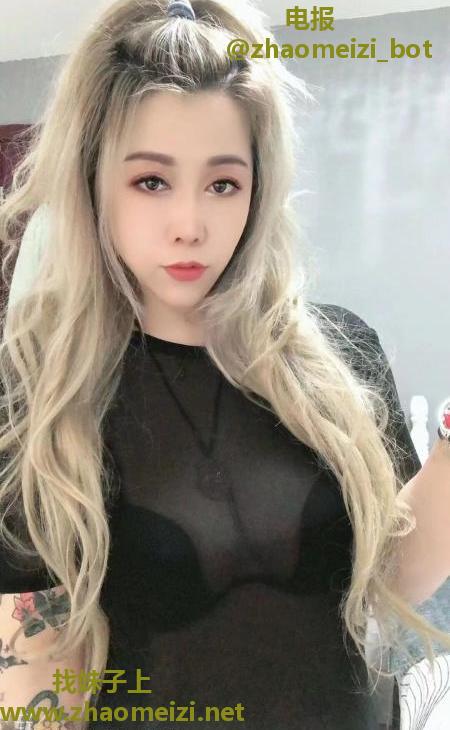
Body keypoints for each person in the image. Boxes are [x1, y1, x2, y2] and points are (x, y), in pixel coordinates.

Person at [1, 1, 450, 728]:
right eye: (152, 181)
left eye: (222, 184)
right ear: (93, 182)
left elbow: (385, 582)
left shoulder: (339, 356)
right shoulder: (40, 399)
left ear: (257, 189)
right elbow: (35, 696)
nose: (190, 225)